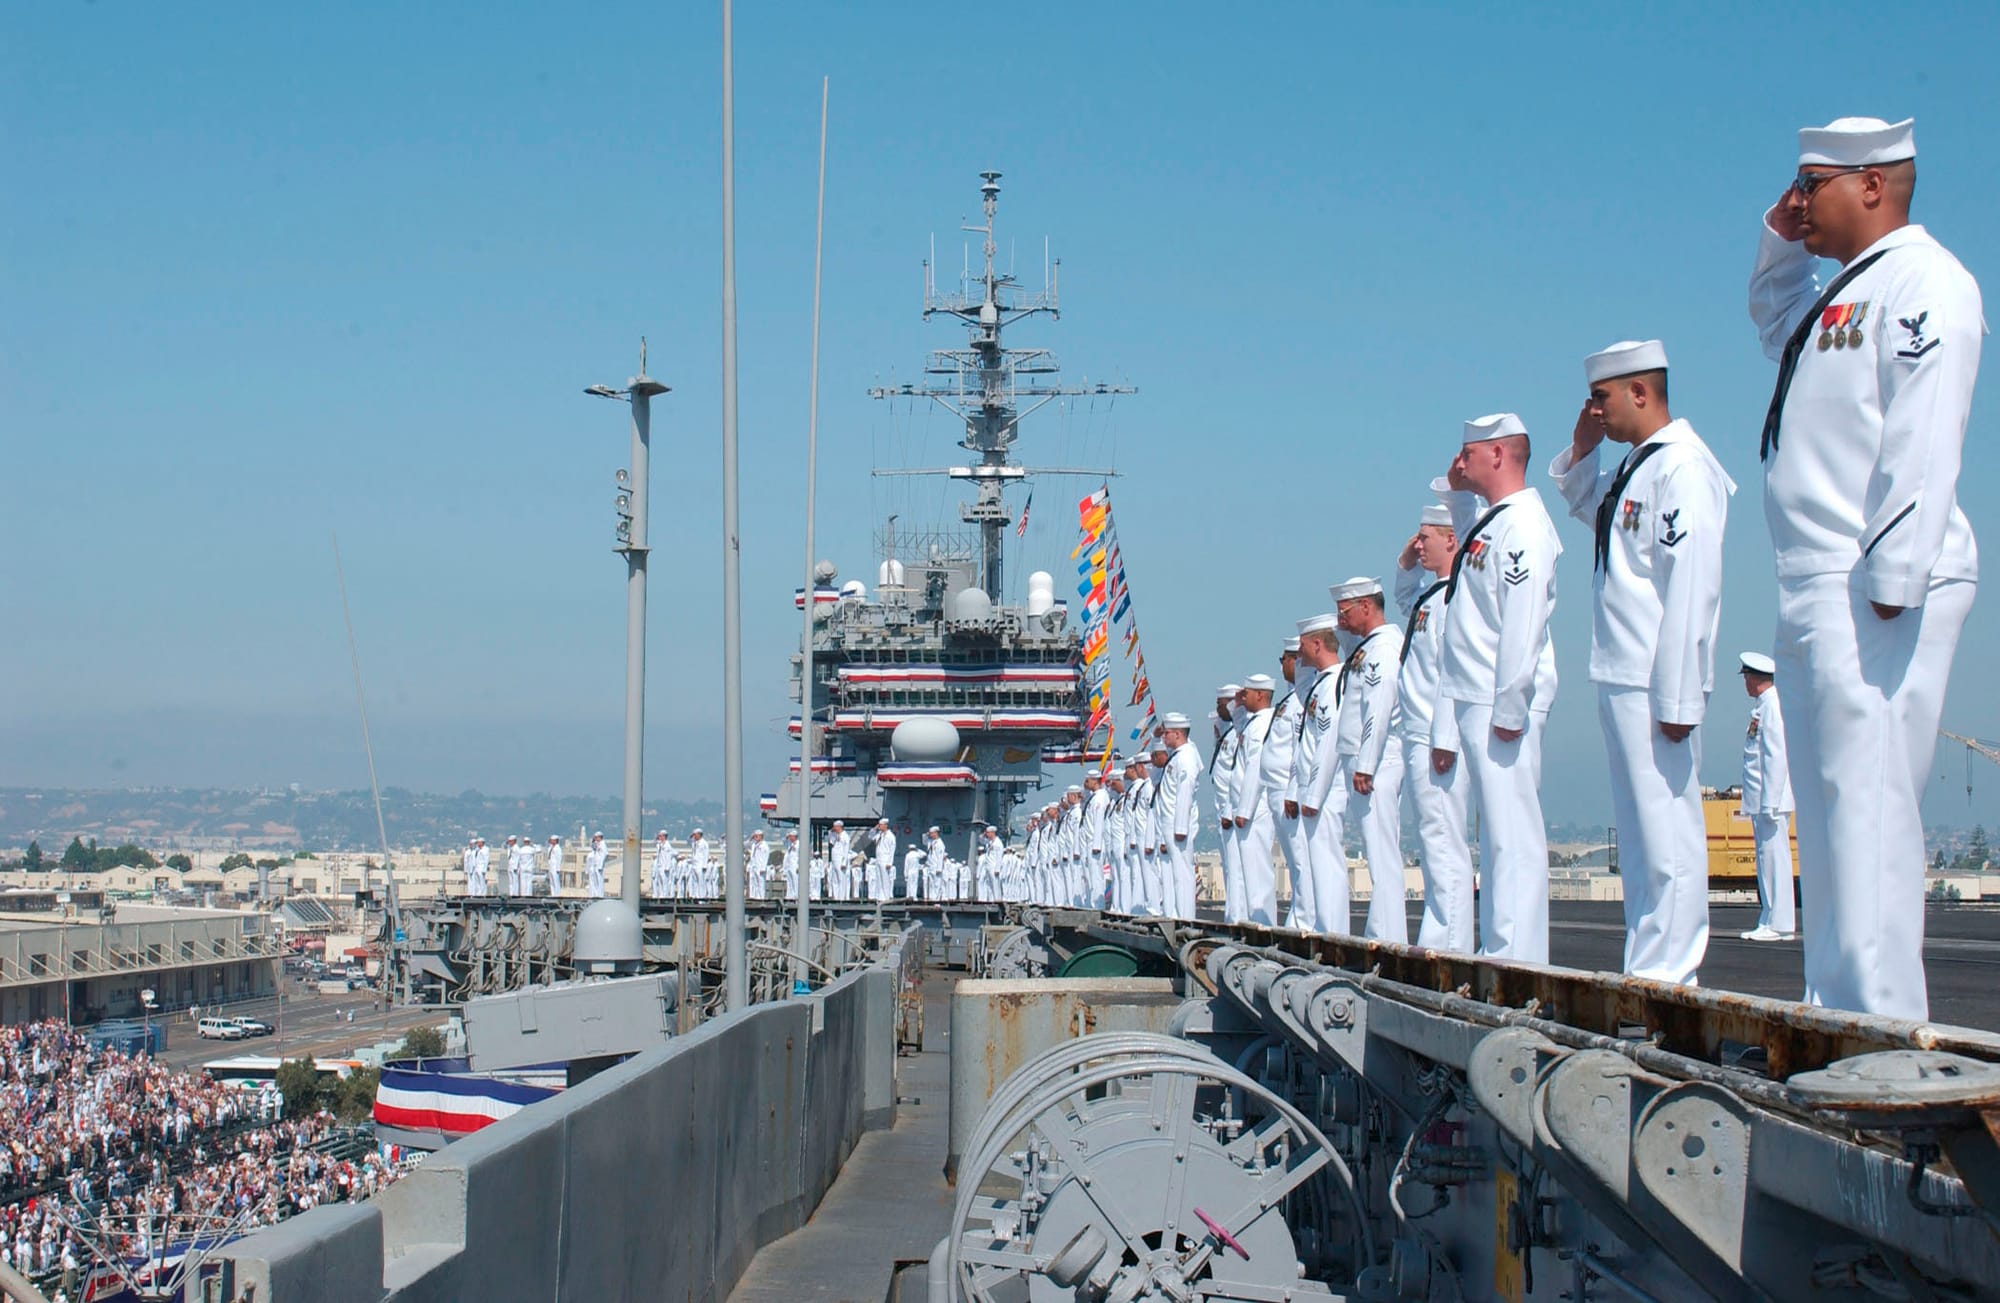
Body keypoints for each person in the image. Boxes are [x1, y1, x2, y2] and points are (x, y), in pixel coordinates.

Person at [1749, 115, 1980, 1019]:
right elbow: (1775, 322)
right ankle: (1841, 1014)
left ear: (1874, 184)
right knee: (1834, 816)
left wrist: (1894, 578)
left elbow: (1923, 436)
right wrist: (1777, 238)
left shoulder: (1925, 280)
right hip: (1817, 578)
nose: (1800, 200)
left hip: (1876, 577)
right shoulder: (1842, 290)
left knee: (1871, 807)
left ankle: (1884, 1029)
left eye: (1814, 184)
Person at [1551, 340, 1733, 985]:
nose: (1594, 410)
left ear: (1639, 392)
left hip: (1656, 675)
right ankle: (1649, 963)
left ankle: (1672, 970)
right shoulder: (1638, 467)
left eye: (1601, 398)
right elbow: (1587, 506)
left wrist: (1681, 693)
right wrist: (1582, 449)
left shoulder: (1681, 467)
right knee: (1639, 832)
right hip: (1620, 669)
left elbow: (1692, 584)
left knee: (1667, 828)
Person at [1432, 413, 1562, 963]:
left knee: (1512, 836)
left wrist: (1511, 705)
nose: (1460, 462)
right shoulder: (1495, 522)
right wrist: (1456, 489)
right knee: (1499, 839)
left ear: (1499, 454)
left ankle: (1518, 957)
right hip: (1476, 694)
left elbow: (1523, 620)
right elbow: (1468, 540)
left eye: (1469, 452)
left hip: (1497, 698)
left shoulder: (1524, 526)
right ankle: (1501, 949)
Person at [1395, 506, 1474, 951]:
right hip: (1420, 732)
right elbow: (1406, 599)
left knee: (1444, 838)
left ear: (1451, 539)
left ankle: (1451, 943)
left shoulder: (1455, 597)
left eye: (1426, 538)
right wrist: (1405, 565)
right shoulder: (1433, 596)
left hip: (1436, 735)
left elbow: (1453, 670)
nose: (1418, 545)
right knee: (1432, 835)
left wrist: (1444, 735)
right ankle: (1440, 933)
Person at [1329, 578, 1407, 942]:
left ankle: (1389, 936)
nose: (1339, 618)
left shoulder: (1383, 648)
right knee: (1377, 851)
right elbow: (1334, 638)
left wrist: (1366, 762)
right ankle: (1383, 932)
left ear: (1366, 607)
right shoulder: (1366, 647)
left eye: (1344, 610)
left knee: (1381, 852)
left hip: (1376, 762)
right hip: (1365, 760)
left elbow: (1379, 705)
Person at [1287, 613, 1348, 934]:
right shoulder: (1319, 684)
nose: (1298, 654)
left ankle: (1333, 933)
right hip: (1314, 789)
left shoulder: (1333, 685)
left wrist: (1313, 794)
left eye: (1302, 646)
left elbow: (1328, 742)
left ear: (1316, 644)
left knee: (1327, 865)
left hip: (1323, 790)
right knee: (1316, 866)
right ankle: (1325, 930)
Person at [1737, 653, 1798, 941]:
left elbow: (1776, 756)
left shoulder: (1772, 705)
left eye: (1746, 677)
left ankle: (1780, 922)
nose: (1745, 683)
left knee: (1774, 859)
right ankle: (1770, 918)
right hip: (1763, 799)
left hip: (1769, 799)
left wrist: (1771, 800)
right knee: (1767, 859)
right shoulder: (1763, 706)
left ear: (1756, 678)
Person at [1259, 638, 1312, 928]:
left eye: (1284, 659)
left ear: (1296, 659)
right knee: (1295, 861)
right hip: (1279, 789)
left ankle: (1305, 919)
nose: (1281, 665)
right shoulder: (1291, 700)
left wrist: (1293, 791)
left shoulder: (1302, 701)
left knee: (1301, 859)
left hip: (1292, 791)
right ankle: (1300, 915)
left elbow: (1299, 747)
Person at [1231, 677, 1278, 925]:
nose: (1242, 695)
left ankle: (1263, 922)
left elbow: (1255, 768)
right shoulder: (1253, 724)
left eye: (1246, 693)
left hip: (1255, 809)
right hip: (1247, 808)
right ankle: (1255, 920)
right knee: (1249, 871)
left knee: (1258, 871)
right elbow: (1238, 726)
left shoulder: (1262, 726)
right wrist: (1237, 705)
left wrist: (1245, 809)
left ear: (1260, 695)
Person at [1156, 716, 1203, 920]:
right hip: (1170, 823)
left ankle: (1185, 917)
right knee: (1176, 874)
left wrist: (1181, 828)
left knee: (1182, 874)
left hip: (1178, 824)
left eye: (1167, 733)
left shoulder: (1185, 758)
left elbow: (1185, 792)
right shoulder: (1178, 755)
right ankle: (1177, 914)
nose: (1163, 737)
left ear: (1178, 734)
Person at [1209, 686, 1245, 922]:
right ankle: (1233, 913)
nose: (1217, 708)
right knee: (1230, 867)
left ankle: (1239, 914)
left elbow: (1237, 776)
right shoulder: (1229, 734)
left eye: (1221, 703)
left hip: (1232, 811)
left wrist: (1230, 810)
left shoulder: (1237, 735)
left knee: (1237, 866)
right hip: (1225, 810)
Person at [1082, 773, 1110, 909]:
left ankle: (1098, 905)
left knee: (1096, 875)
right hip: (1090, 841)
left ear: (1095, 781)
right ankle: (1092, 903)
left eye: (1087, 781)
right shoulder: (1093, 797)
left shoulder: (1100, 797)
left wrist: (1097, 844)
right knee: (1090, 875)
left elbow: (1099, 821)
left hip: (1095, 842)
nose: (1085, 783)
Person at [871, 819, 897, 899]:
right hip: (878, 859)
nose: (879, 826)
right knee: (879, 879)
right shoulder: (879, 835)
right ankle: (880, 897)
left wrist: (890, 862)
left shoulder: (890, 836)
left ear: (885, 825)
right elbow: (870, 836)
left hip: (885, 860)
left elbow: (892, 850)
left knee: (885, 879)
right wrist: (874, 829)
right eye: (879, 825)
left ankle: (886, 897)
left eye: (881, 825)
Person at [584, 833, 608, 899]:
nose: (595, 839)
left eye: (596, 837)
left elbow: (604, 854)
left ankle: (600, 895)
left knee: (599, 880)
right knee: (594, 881)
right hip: (595, 865)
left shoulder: (602, 844)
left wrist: (600, 865)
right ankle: (595, 894)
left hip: (599, 865)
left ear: (600, 837)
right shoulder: (598, 845)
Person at [650, 831, 672, 897]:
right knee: (660, 881)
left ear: (664, 836)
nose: (659, 837)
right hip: (659, 865)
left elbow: (668, 856)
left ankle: (665, 896)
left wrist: (667, 867)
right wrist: (656, 837)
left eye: (660, 836)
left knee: (665, 881)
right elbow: (654, 843)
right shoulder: (659, 844)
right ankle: (661, 895)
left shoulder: (667, 845)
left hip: (665, 866)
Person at [781, 830, 801, 900]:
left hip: (795, 864)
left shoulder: (799, 844)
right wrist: (786, 837)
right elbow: (783, 842)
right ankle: (790, 894)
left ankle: (796, 894)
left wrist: (799, 865)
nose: (790, 838)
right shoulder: (790, 844)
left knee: (795, 880)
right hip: (789, 865)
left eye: (791, 836)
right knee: (789, 880)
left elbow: (800, 855)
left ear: (795, 837)